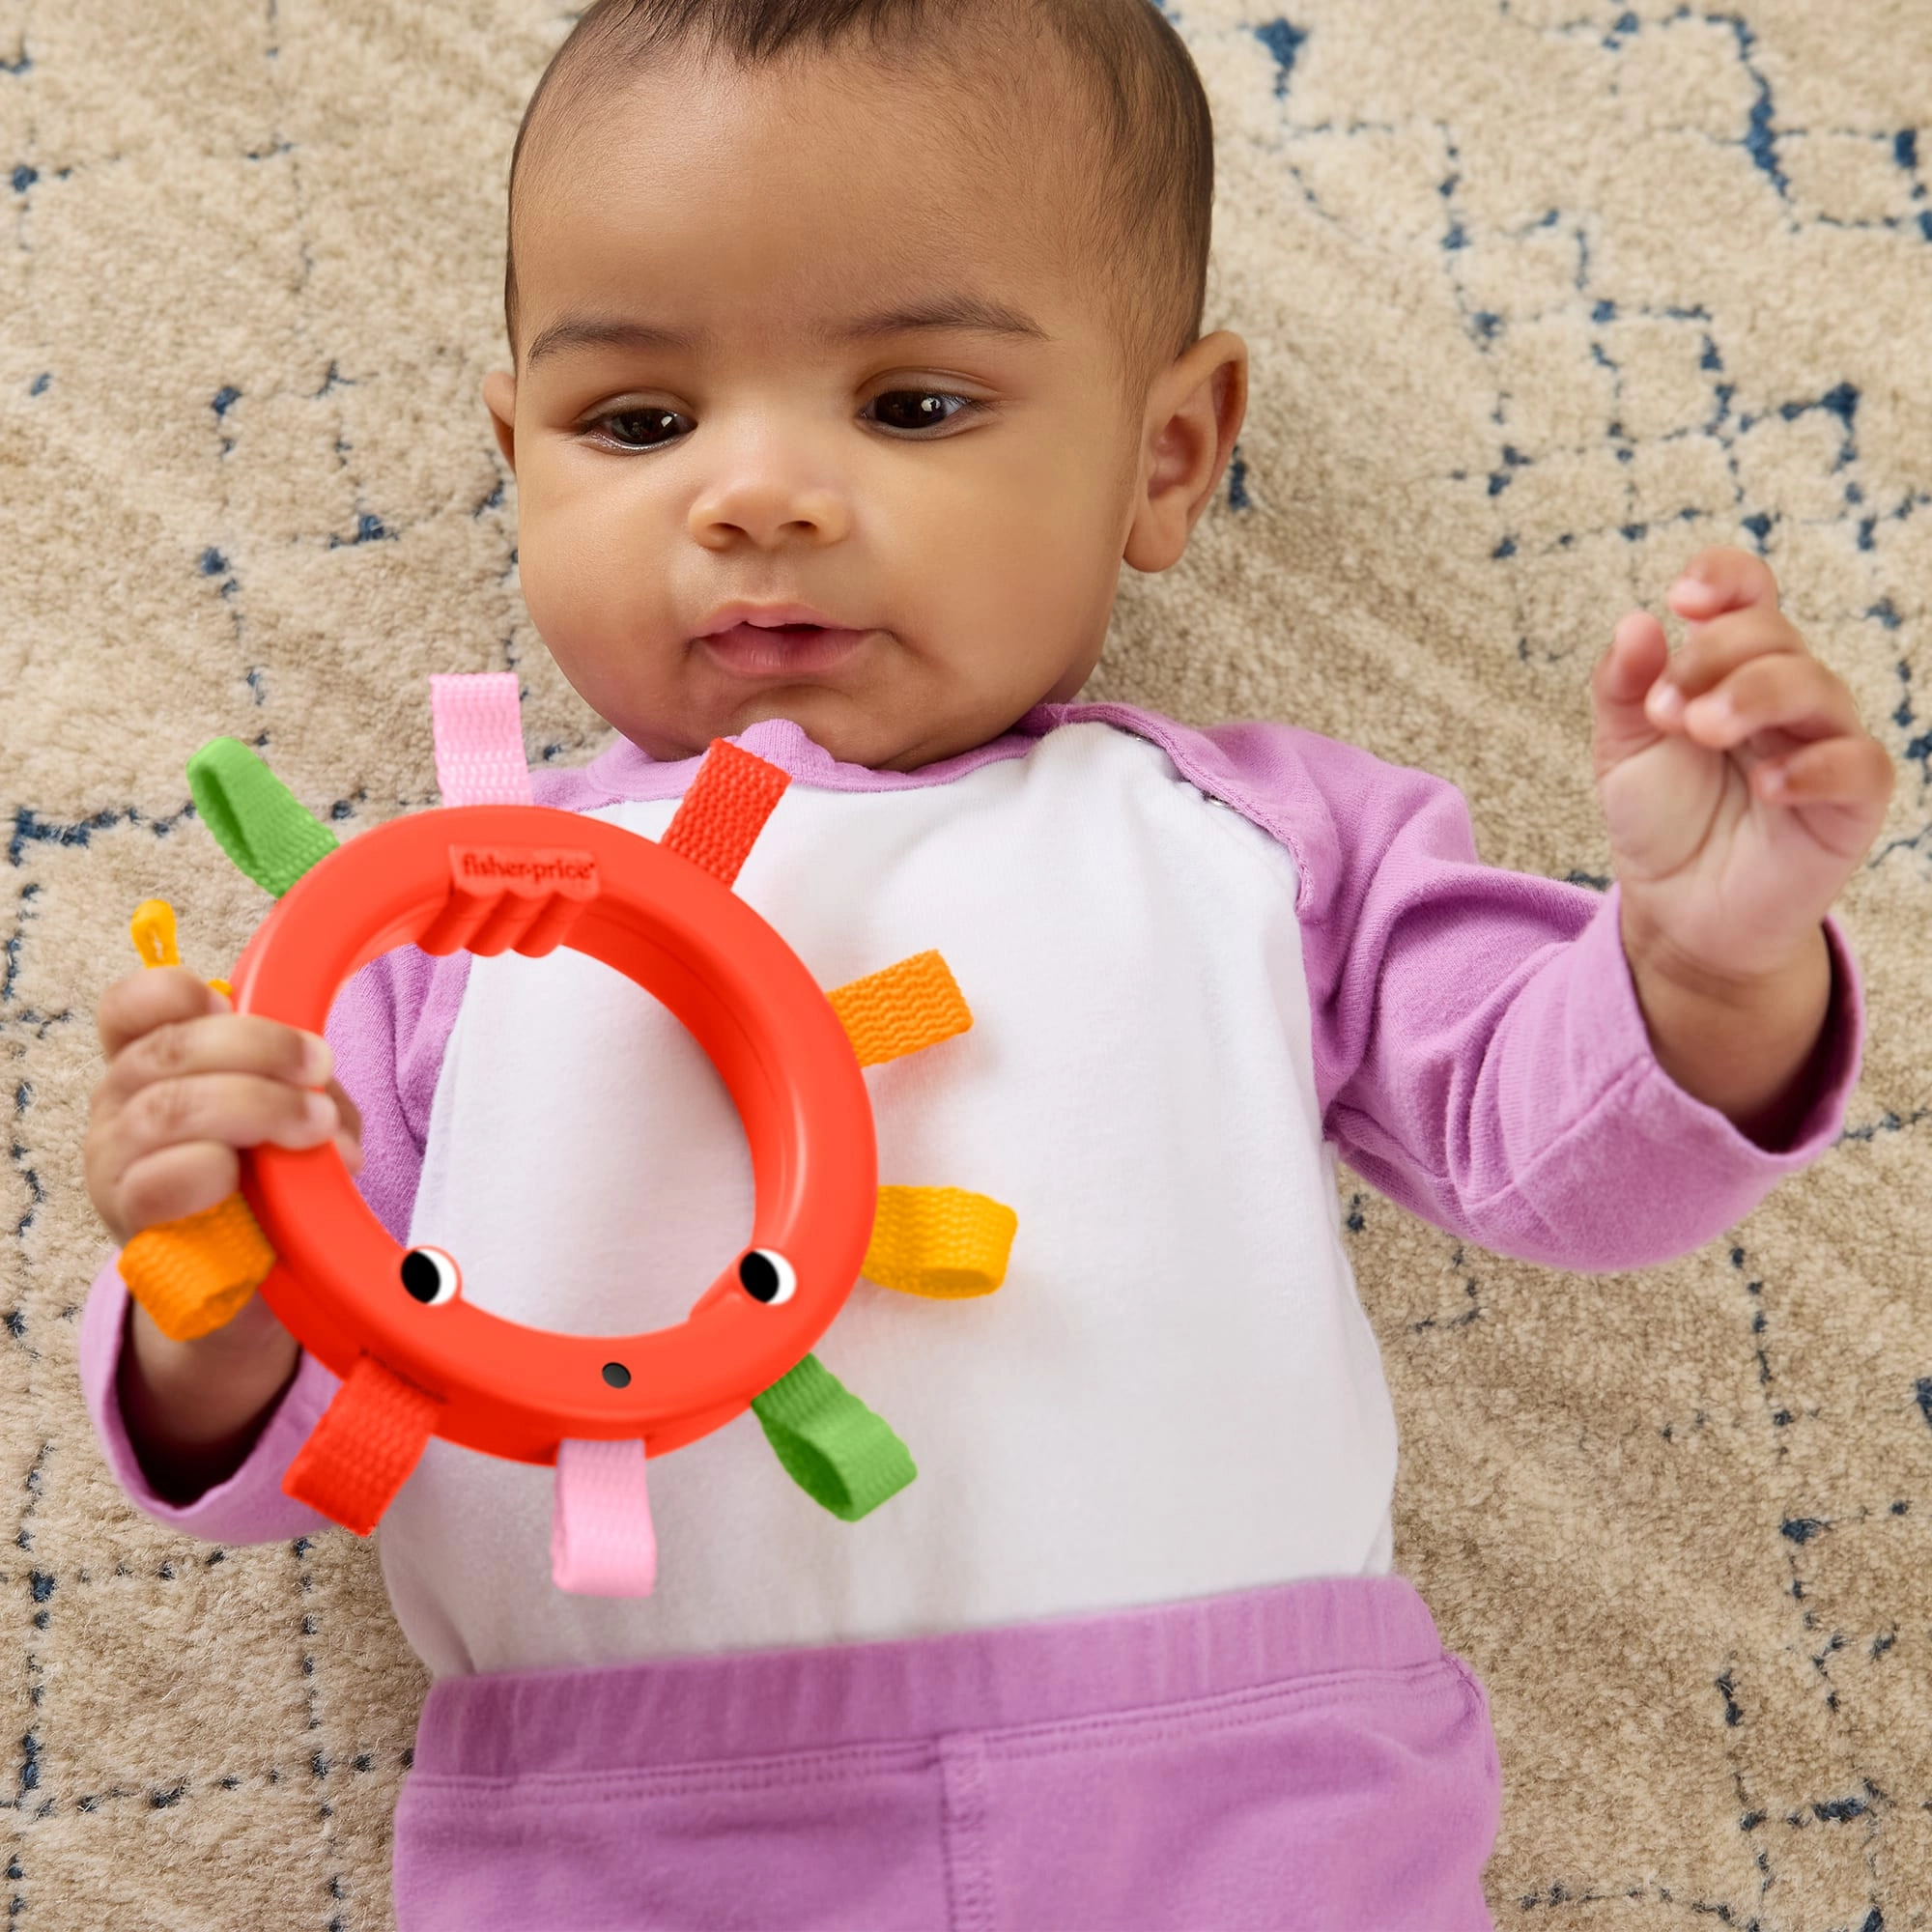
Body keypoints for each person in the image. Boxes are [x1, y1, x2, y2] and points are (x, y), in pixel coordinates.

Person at [77, 2, 1892, 1925]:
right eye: (639, 423)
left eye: (914, 405)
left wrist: (1703, 966)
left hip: (1245, 1806)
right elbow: (280, 1459)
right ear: (517, 452)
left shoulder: (1263, 846)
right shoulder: (423, 931)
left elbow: (1565, 1168)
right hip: (628, 1839)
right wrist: (211, 1279)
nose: (755, 496)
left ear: (1164, 456)